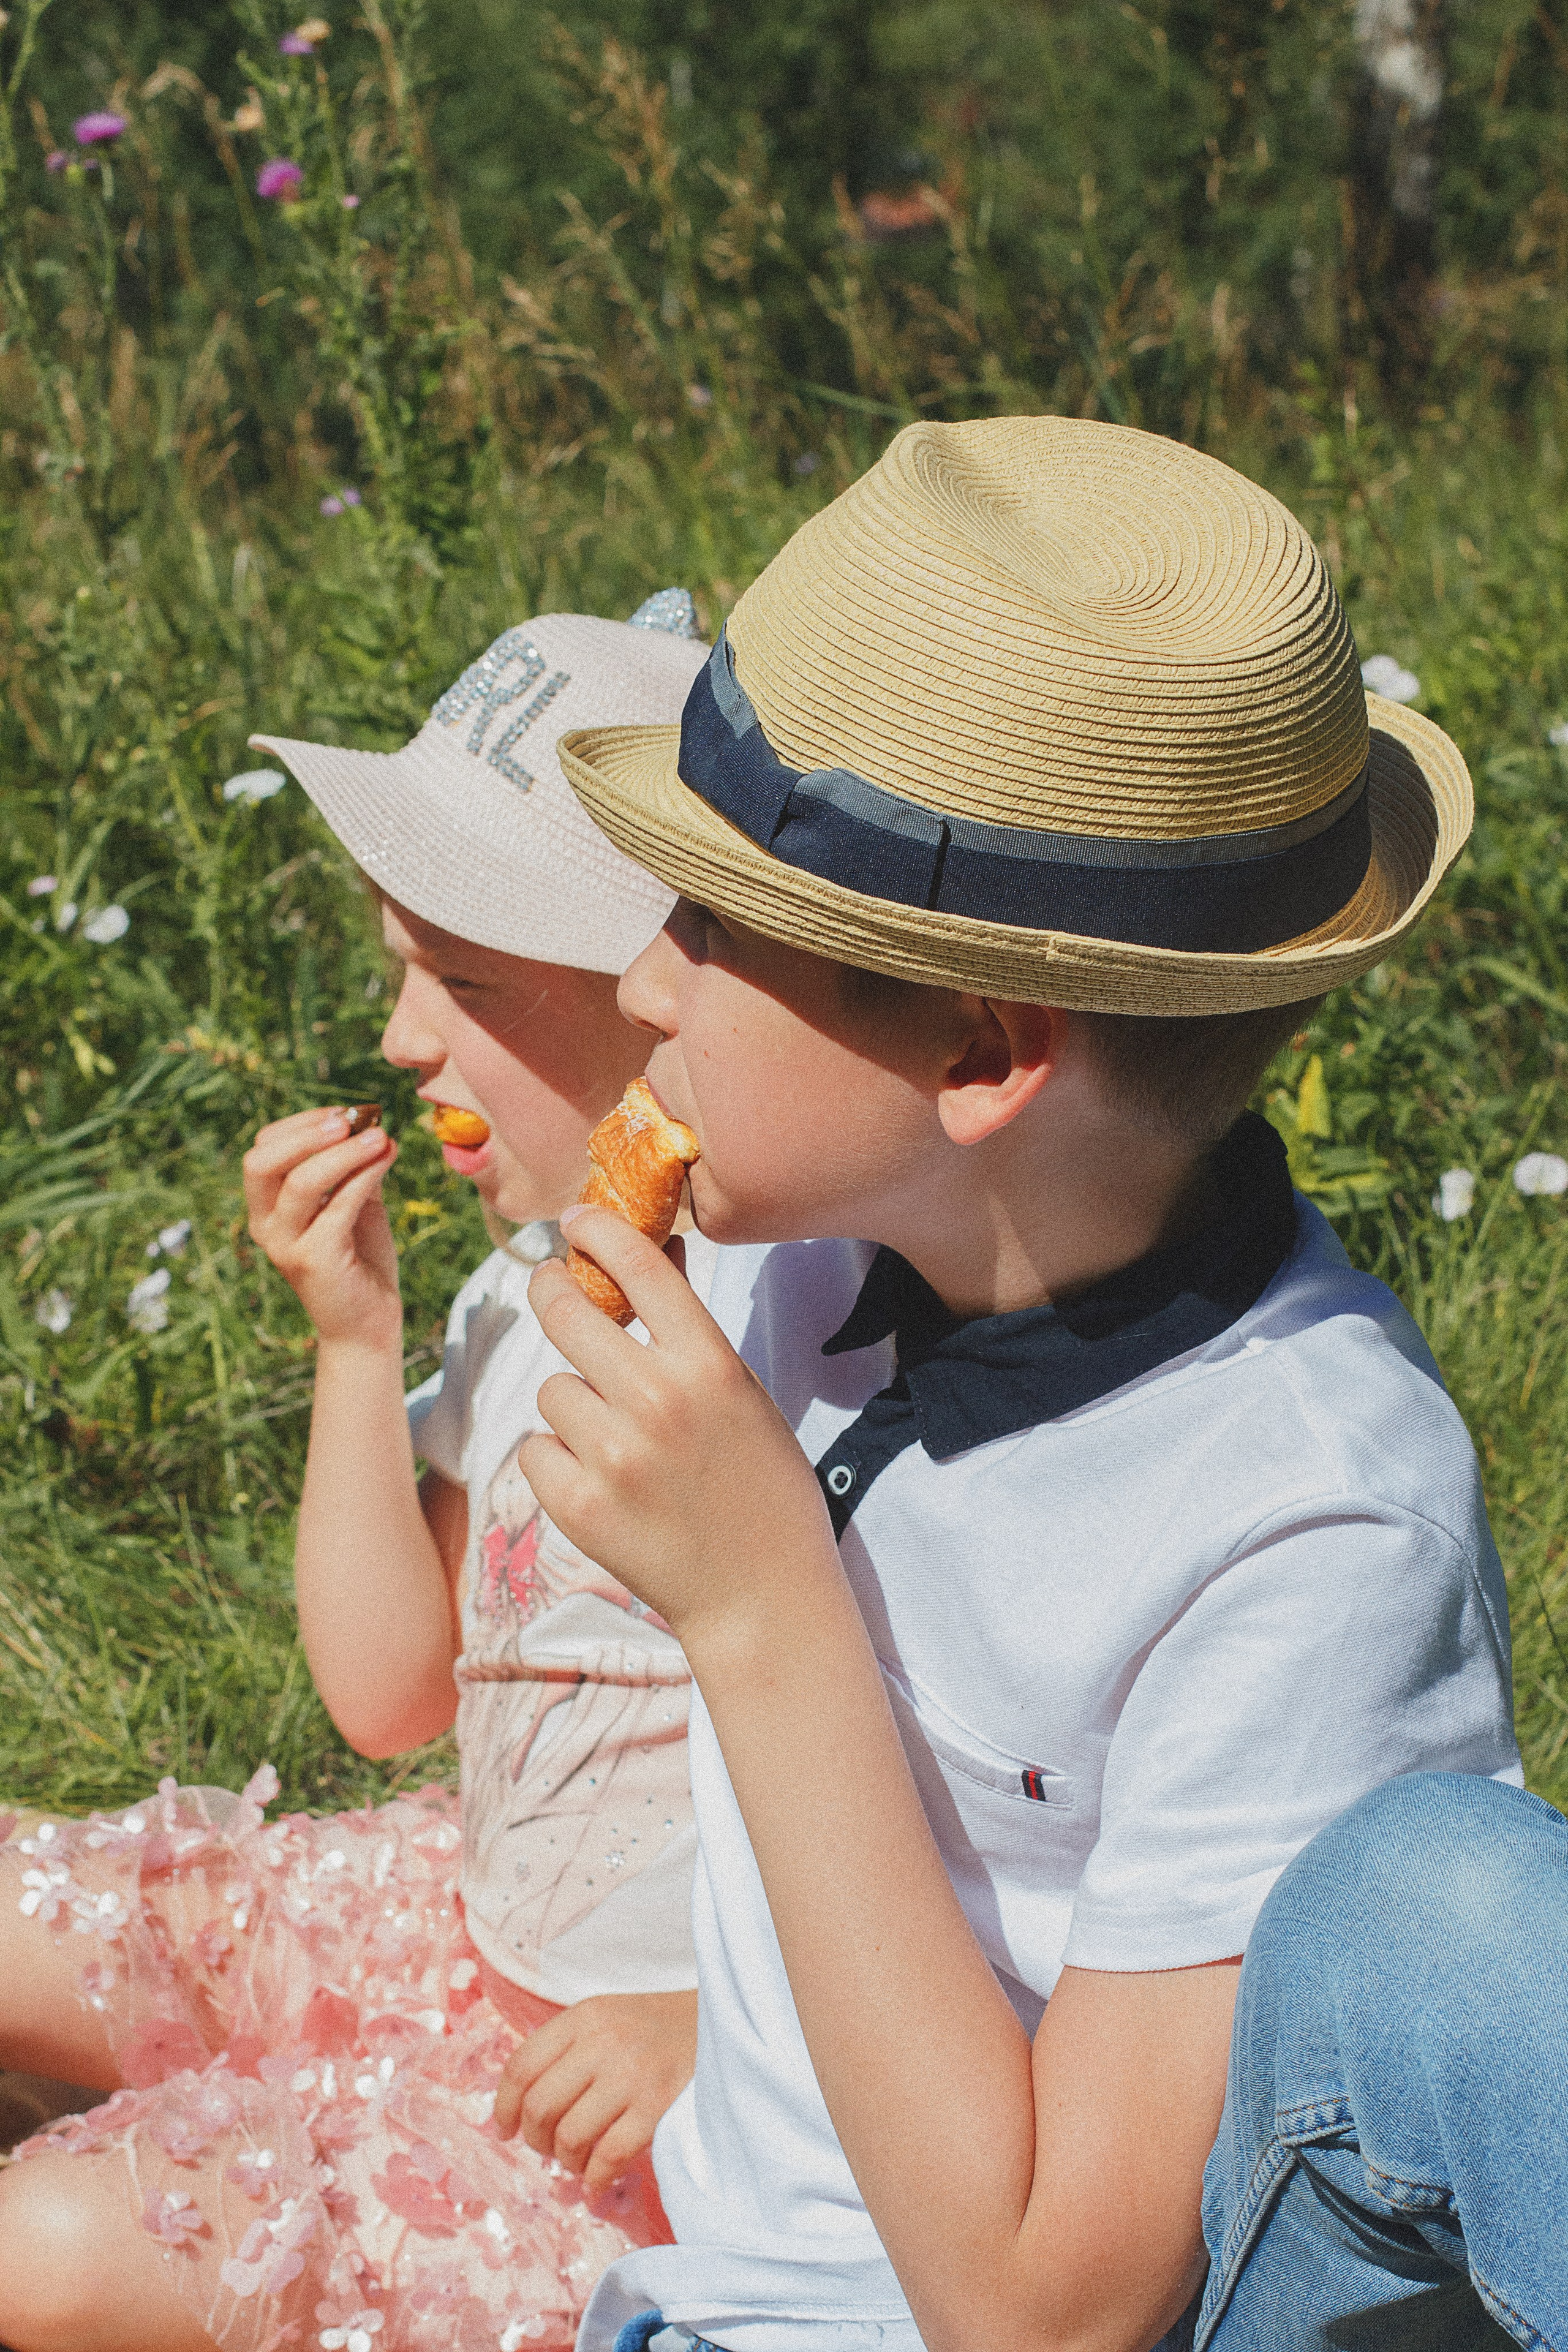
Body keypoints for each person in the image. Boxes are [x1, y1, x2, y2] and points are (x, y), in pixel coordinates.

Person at [504, 421, 1545, 2352]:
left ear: (984, 1051)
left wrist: (759, 1608)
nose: (644, 991)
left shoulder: (1305, 1514)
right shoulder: (814, 1223)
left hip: (1030, 2304)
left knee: (1473, 1912)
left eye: (717, 928)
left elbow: (1043, 2316)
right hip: (724, 2279)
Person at [0, 598, 717, 2352]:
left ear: (676, 1002)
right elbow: (392, 1692)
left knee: (49, 2259)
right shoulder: (529, 1288)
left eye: (462, 983)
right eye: (404, 968)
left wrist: (710, 2022)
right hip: (462, 1934)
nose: (403, 1037)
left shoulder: (826, 1345)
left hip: (655, 2120)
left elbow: (967, 1815)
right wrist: (354, 1338)